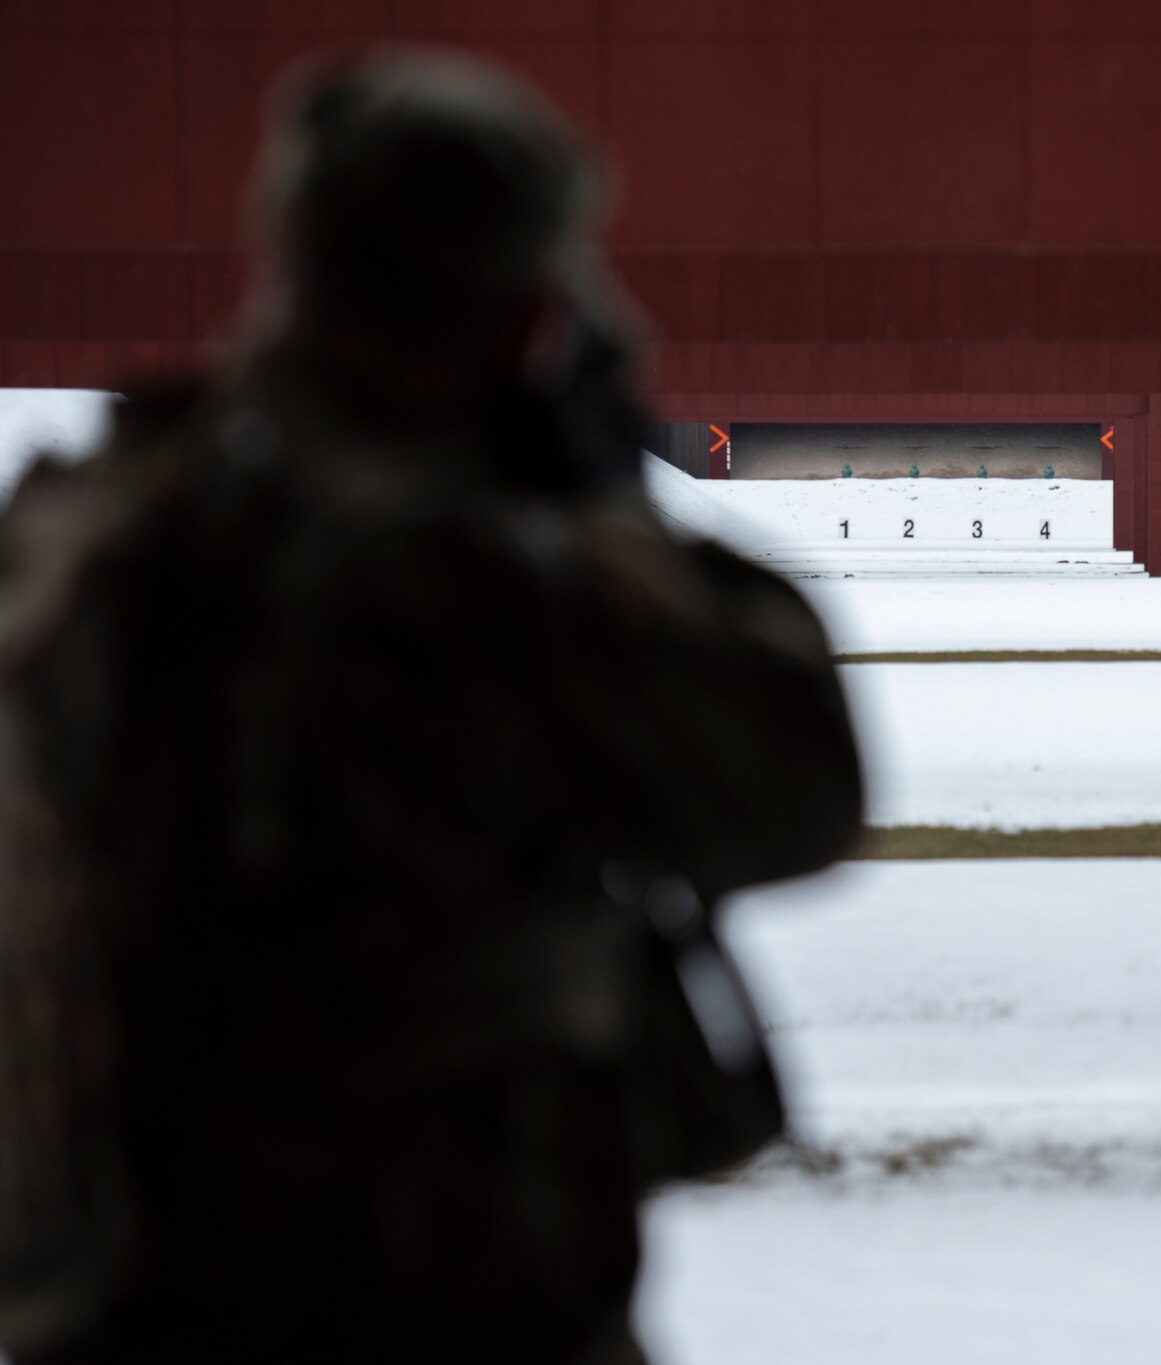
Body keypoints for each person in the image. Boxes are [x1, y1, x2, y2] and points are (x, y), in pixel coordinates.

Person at [0, 48, 862, 1365]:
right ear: (522, 315)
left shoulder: (85, 537)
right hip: (448, 1305)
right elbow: (800, 784)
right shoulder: (493, 589)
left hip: (116, 1312)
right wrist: (606, 498)